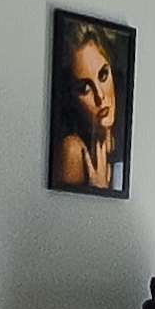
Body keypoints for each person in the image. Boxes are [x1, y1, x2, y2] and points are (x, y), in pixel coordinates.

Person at [55, 22, 123, 192]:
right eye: (85, 88)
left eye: (103, 75)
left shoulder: (119, 141)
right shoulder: (73, 150)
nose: (100, 96)